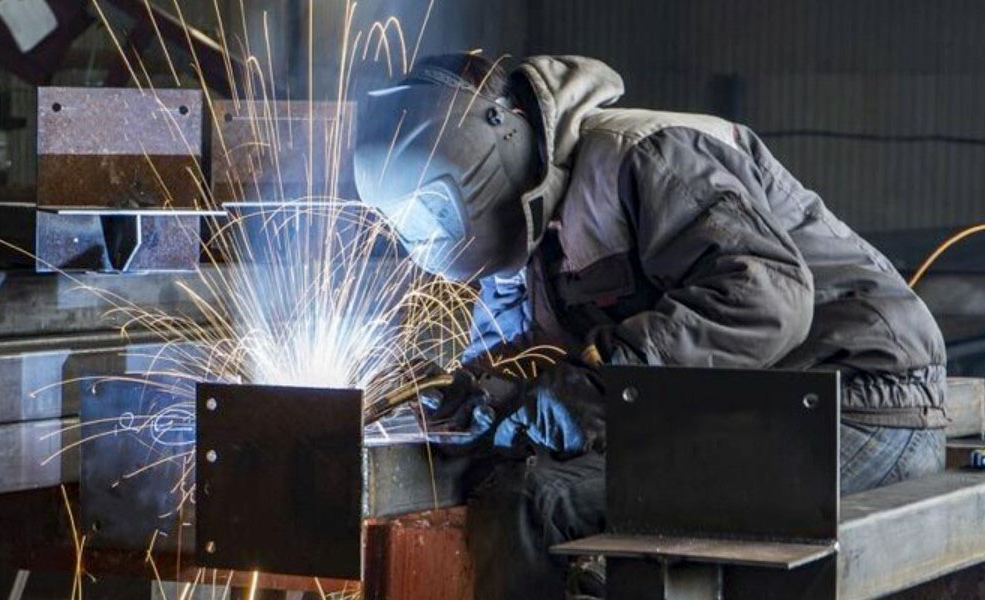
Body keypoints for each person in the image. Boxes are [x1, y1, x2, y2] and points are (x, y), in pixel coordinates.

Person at [353, 53, 948, 600]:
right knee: (500, 470)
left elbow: (766, 299)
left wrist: (600, 382)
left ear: (503, 141)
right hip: (759, 406)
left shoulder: (645, 156)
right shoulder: (527, 231)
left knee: (539, 502)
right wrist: (477, 396)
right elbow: (518, 360)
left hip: (856, 400)